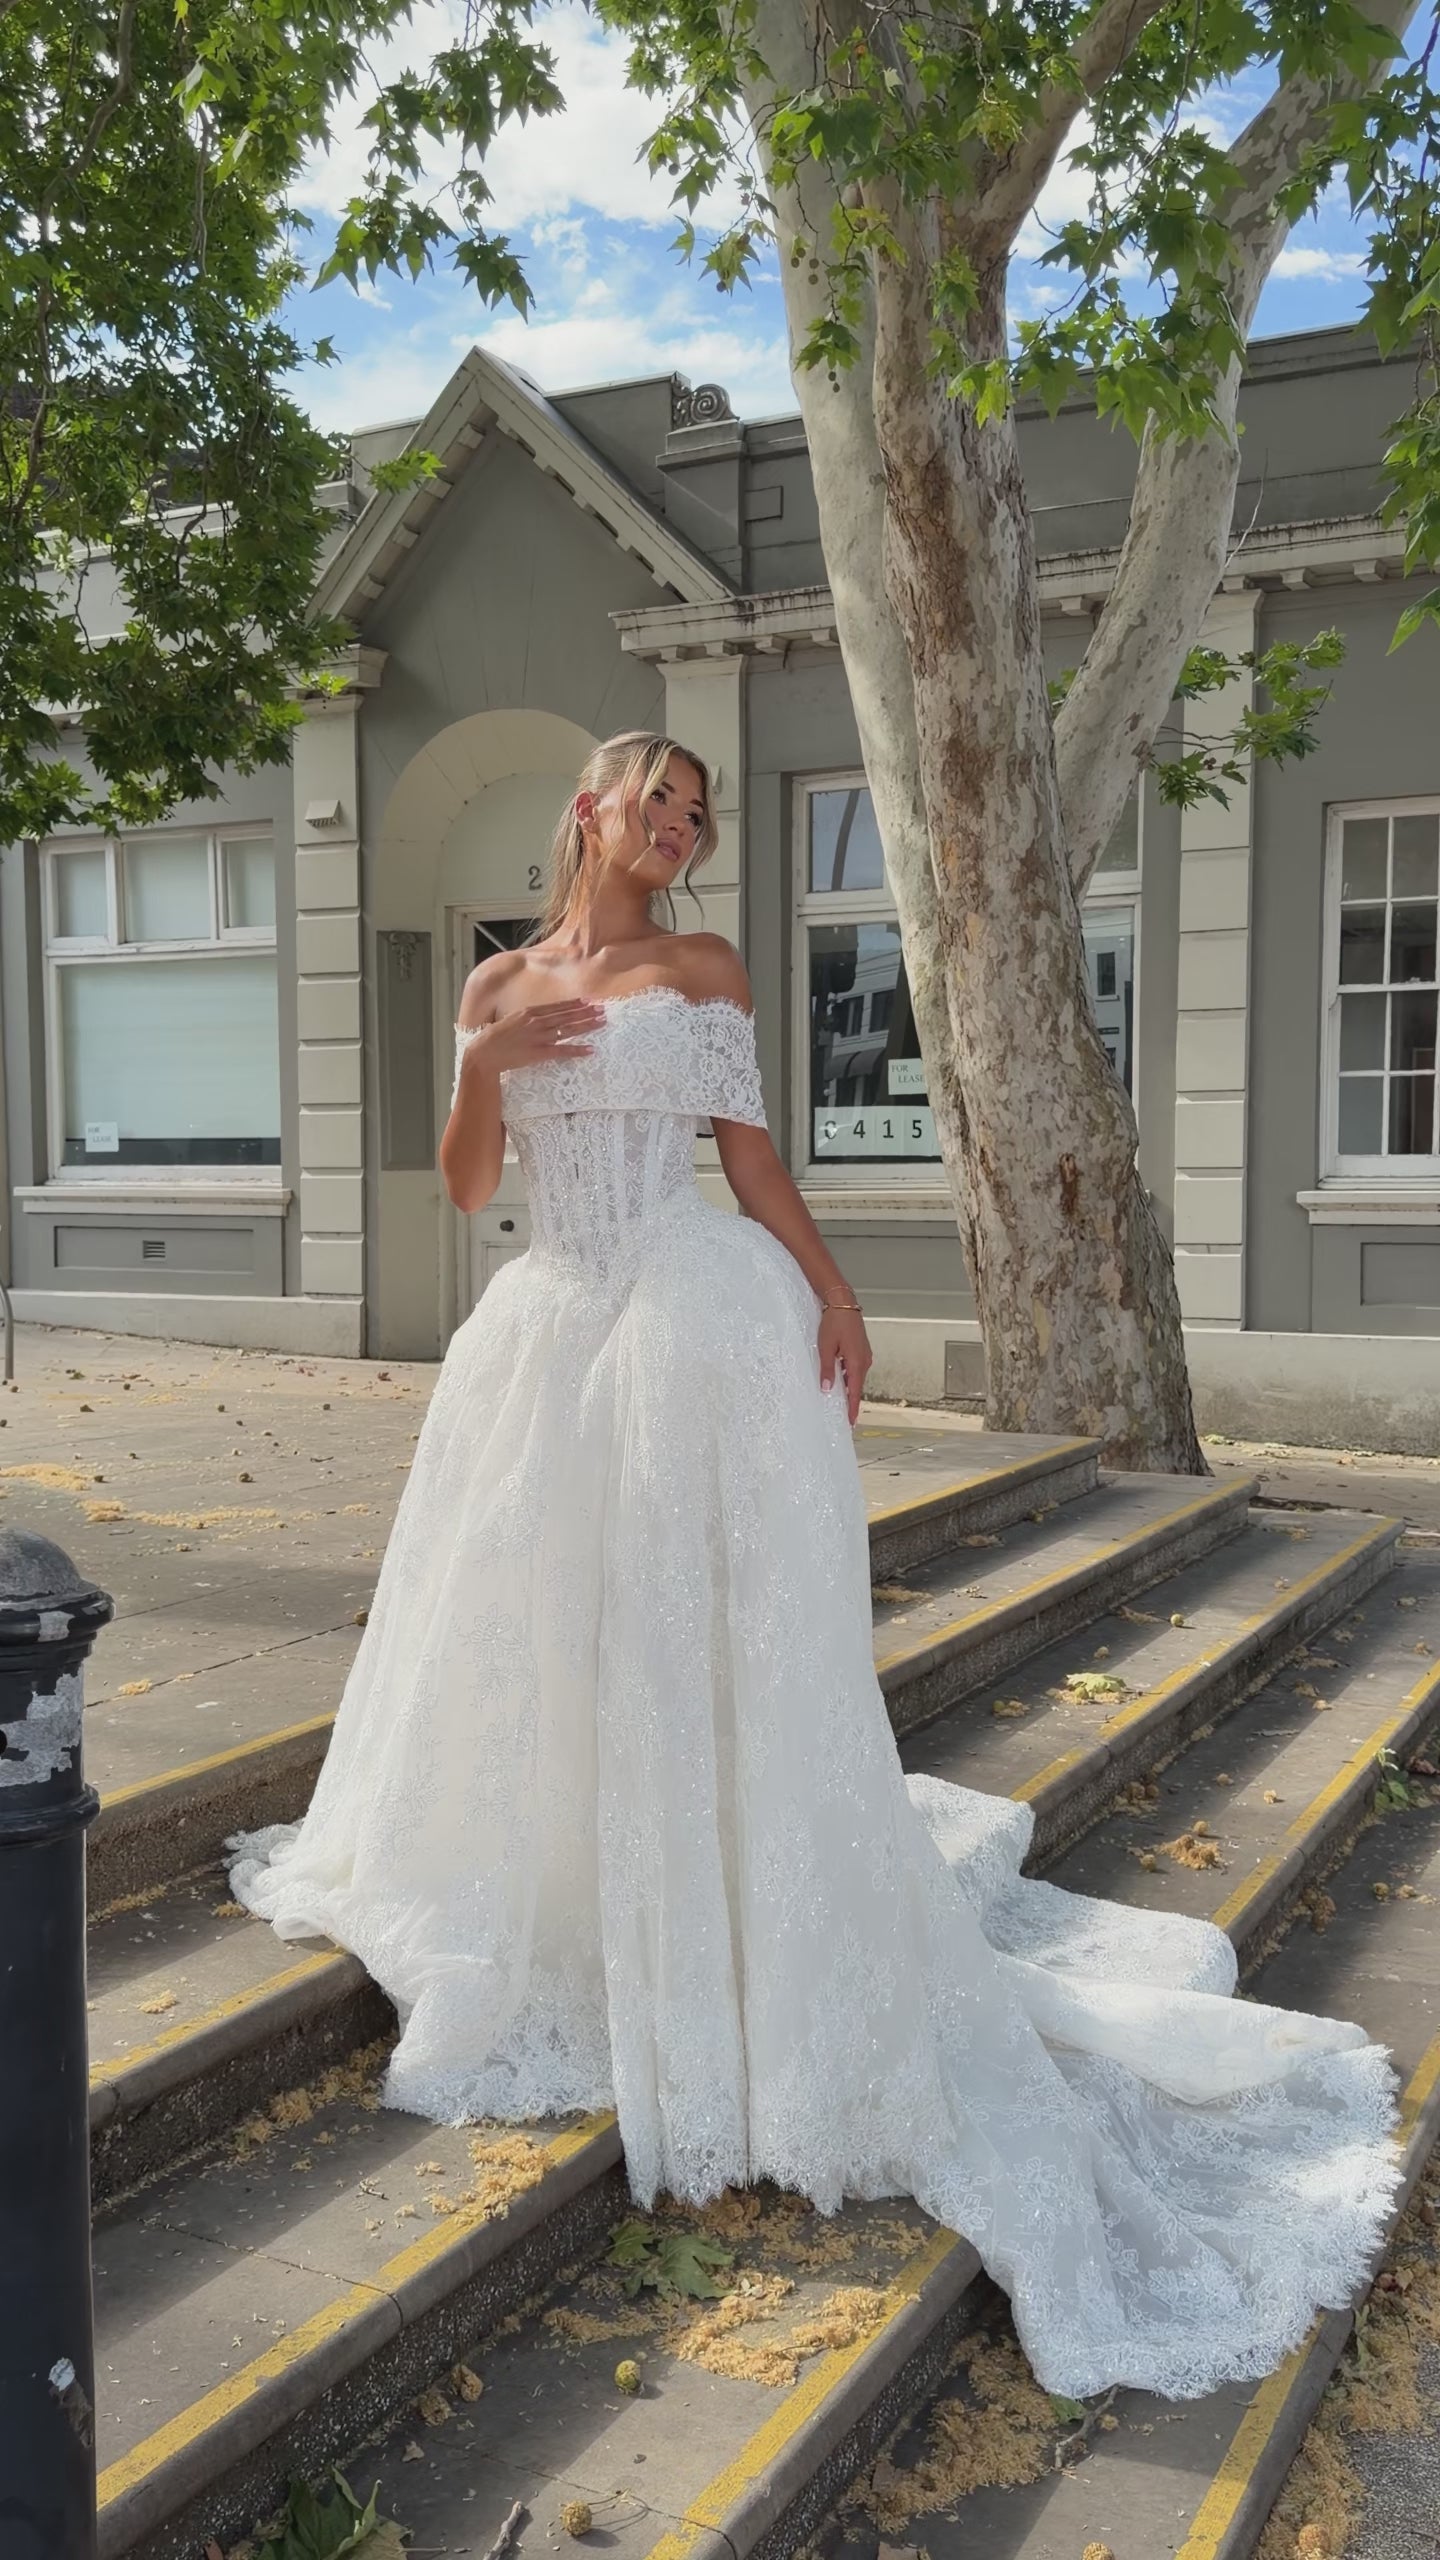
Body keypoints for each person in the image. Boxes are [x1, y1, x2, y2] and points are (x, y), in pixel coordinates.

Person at [230, 728, 1400, 2402]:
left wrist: (835, 1291)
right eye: (657, 799)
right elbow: (475, 1184)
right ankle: (560, 1886)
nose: (679, 825)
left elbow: (749, 1159)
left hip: (687, 1324)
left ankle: (709, 1901)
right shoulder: (496, 987)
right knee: (532, 1631)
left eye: (696, 812)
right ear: (592, 808)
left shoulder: (705, 967)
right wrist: (488, 1064)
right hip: (545, 1331)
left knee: (683, 1634)